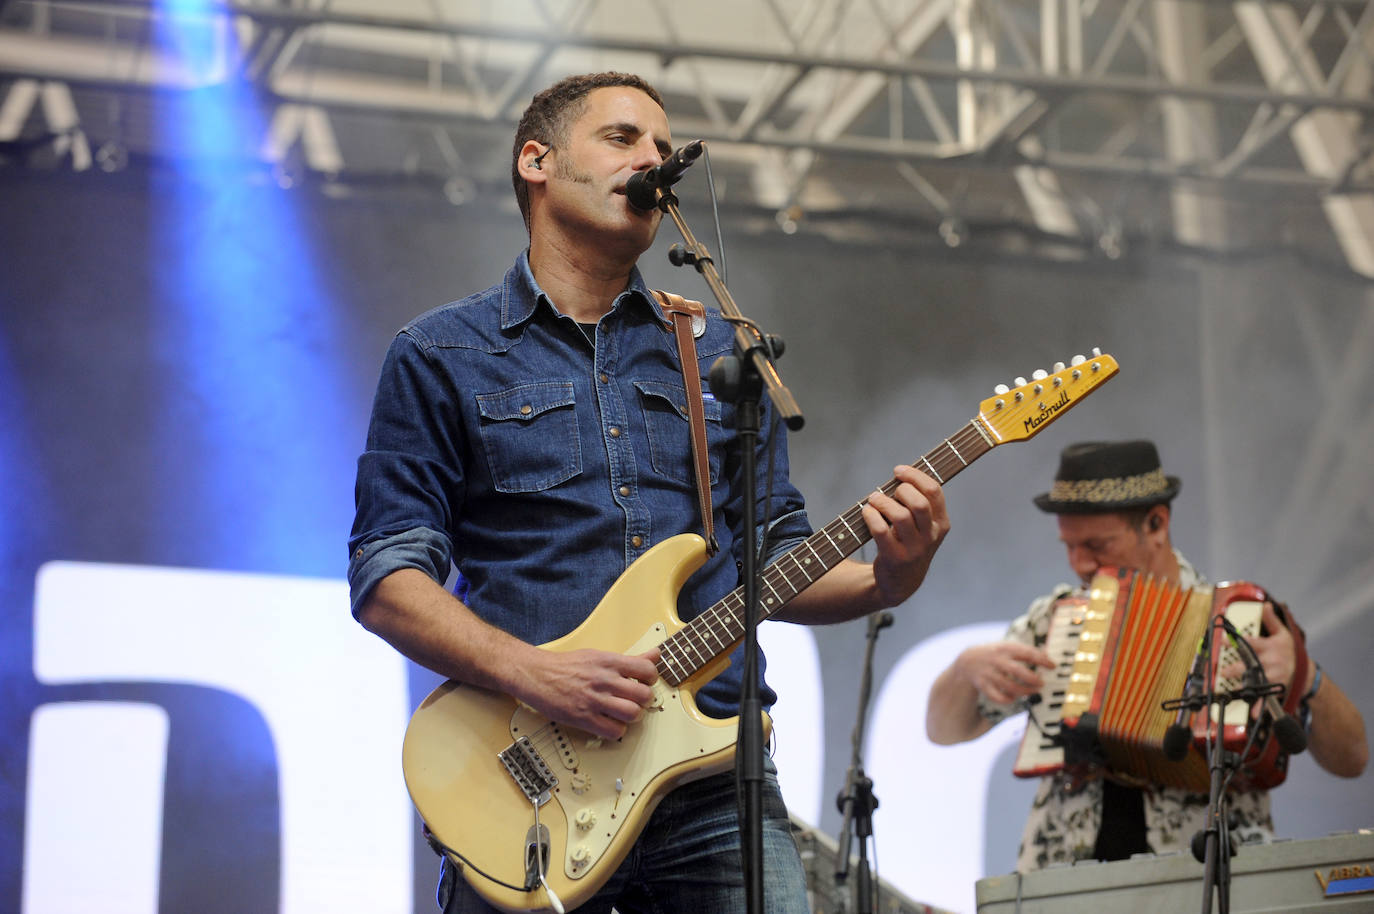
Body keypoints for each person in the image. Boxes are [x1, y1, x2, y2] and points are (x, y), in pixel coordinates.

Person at [347, 71, 949, 913]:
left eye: (663, 147)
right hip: (531, 779)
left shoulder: (716, 356)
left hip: (711, 777)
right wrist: (538, 675)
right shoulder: (442, 353)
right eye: (624, 138)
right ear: (536, 162)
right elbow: (388, 578)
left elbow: (774, 556)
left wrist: (892, 577)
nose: (654, 158)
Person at [926, 439, 1367, 871]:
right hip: (1067, 882)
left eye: (1096, 545)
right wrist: (964, 670)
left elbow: (1353, 759)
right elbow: (944, 731)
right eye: (1069, 546)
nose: (1079, 564)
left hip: (1206, 879)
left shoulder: (1244, 621)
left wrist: (1305, 677)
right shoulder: (1051, 621)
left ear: (1156, 523)